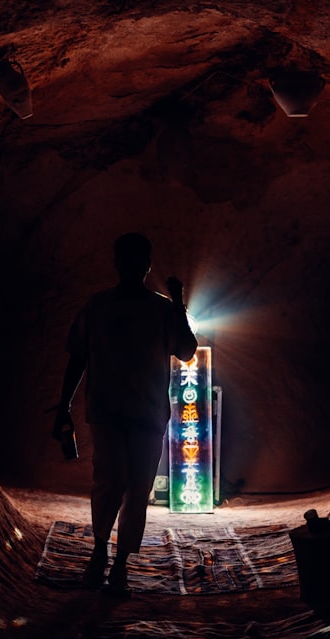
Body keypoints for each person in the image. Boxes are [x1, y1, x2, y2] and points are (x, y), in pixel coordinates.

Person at [53, 232, 198, 595]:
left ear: (145, 266)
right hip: (115, 410)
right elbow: (79, 357)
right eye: (127, 260)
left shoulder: (160, 309)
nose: (132, 267)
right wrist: (64, 404)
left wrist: (178, 303)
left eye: (137, 261)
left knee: (133, 487)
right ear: (119, 263)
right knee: (112, 483)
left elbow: (186, 351)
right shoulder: (100, 306)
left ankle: (115, 561)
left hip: (139, 412)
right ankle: (104, 554)